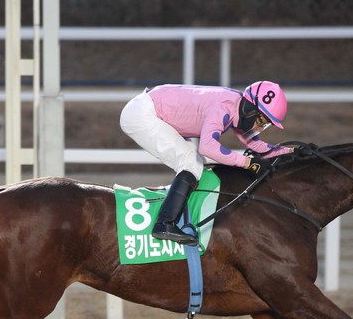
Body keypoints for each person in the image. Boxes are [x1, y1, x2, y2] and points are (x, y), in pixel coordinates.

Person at [120, 81, 293, 246]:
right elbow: (207, 147)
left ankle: (175, 217)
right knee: (191, 162)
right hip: (142, 114)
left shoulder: (237, 106)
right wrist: (248, 163)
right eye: (262, 121)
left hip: (152, 108)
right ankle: (164, 224)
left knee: (195, 162)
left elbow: (255, 145)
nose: (260, 127)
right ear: (250, 109)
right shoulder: (224, 107)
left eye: (265, 124)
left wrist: (290, 152)